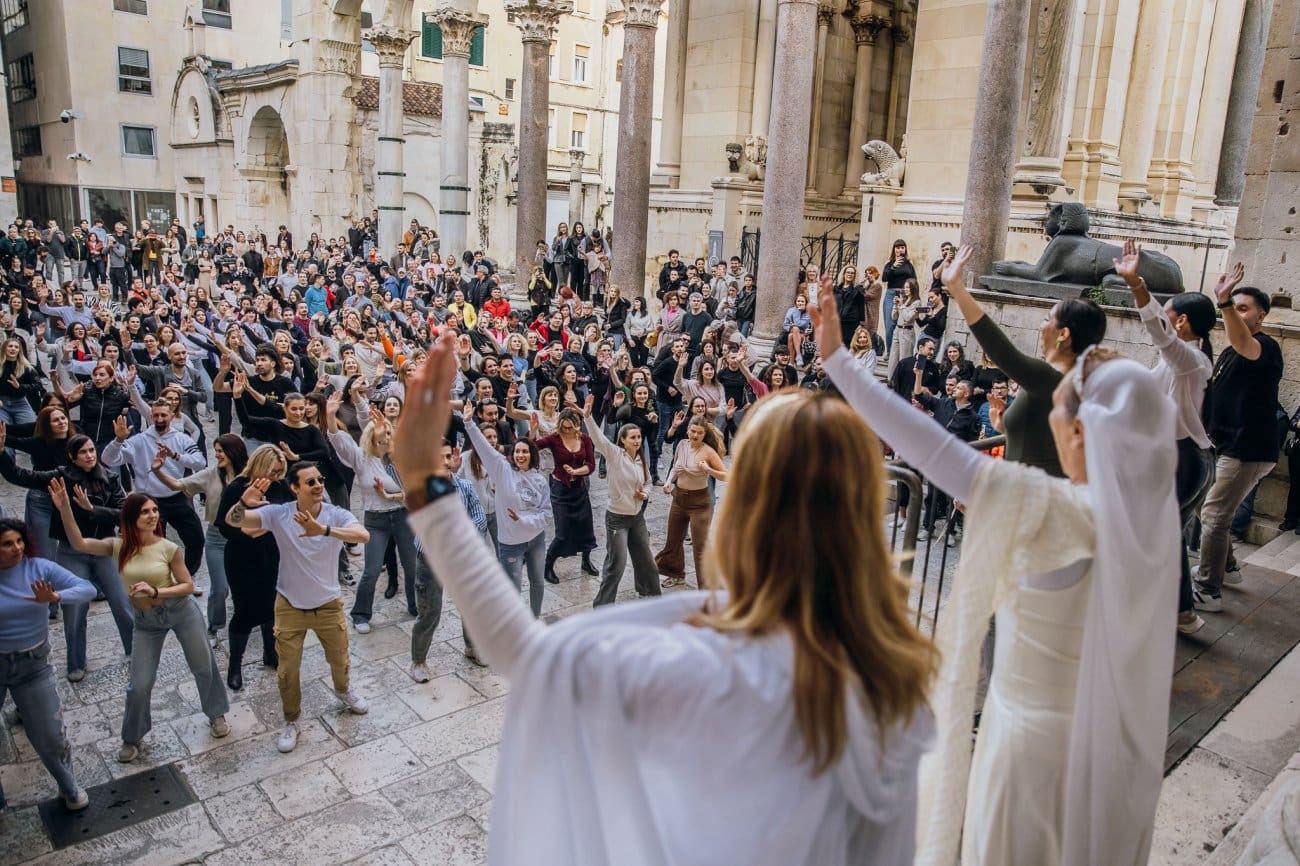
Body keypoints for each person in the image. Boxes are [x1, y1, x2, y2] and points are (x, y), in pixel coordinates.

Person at [392, 332, 939, 865]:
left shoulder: (721, 675)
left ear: (748, 513)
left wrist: (425, 484)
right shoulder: (898, 676)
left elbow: (527, 654)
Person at [814, 270, 1179, 866]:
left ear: (1083, 432)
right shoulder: (1152, 532)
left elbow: (931, 448)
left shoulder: (1051, 510)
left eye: (1058, 413)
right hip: (1102, 747)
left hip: (1028, 742)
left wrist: (836, 360)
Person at [52, 484, 230, 763]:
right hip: (146, 621)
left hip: (180, 610)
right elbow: (79, 543)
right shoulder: (117, 546)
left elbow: (187, 585)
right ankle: (132, 736)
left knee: (203, 665)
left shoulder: (168, 548)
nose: (152, 515)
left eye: (155, 510)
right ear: (131, 516)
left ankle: (216, 713)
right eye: (145, 511)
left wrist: (156, 592)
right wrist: (64, 508)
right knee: (139, 683)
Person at [224, 461, 371, 754]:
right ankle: (291, 720)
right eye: (310, 482)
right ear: (294, 488)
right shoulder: (280, 514)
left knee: (339, 660)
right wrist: (243, 501)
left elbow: (362, 536)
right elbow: (234, 520)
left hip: (328, 604)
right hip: (290, 605)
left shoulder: (335, 514)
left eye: (320, 479)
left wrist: (324, 530)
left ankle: (343, 691)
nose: (318, 485)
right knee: (287, 671)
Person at [1114, 240, 1217, 635]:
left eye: (1171, 314)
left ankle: (1175, 612)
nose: (1165, 319)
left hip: (1184, 459)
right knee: (1166, 537)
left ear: (1182, 323)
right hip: (1184, 457)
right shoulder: (1183, 360)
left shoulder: (1190, 359)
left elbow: (1160, 334)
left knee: (1156, 536)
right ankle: (1176, 612)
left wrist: (1137, 285)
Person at [939, 246, 1106, 476]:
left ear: (1063, 334)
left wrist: (957, 288)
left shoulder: (1050, 377)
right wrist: (1003, 424)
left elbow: (1001, 352)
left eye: (1047, 319)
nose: (1041, 325)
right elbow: (1040, 436)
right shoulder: (1067, 379)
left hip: (1031, 499)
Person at [0, 430, 133, 681]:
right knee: (74, 611)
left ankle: (135, 651)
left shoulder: (109, 478)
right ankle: (75, 663)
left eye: (92, 450)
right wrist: (1, 454)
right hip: (72, 552)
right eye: (83, 452)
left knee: (122, 603)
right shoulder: (61, 477)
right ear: (72, 456)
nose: (90, 455)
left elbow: (122, 513)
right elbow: (20, 475)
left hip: (104, 548)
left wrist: (93, 509)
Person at [1196, 266, 1283, 612]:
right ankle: (1227, 567)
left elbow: (1243, 343)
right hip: (1229, 446)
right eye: (1235, 307)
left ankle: (1208, 588)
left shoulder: (1265, 346)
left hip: (1247, 450)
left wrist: (1222, 302)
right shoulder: (1233, 349)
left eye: (1243, 307)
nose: (1236, 311)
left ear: (1261, 315)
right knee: (1221, 512)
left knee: (1213, 515)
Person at [0, 517, 96, 812]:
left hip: (33, 665)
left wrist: (55, 596)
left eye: (19, 541)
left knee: (51, 736)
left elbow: (87, 589)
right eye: (7, 544)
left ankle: (68, 786)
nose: (16, 548)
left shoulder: (38, 568)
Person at [325, 397, 420, 629]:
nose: (387, 437)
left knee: (412, 566)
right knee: (372, 569)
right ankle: (360, 614)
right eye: (383, 433)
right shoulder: (361, 458)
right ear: (373, 435)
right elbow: (339, 440)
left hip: (403, 516)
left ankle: (416, 606)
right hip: (375, 520)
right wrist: (329, 416)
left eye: (389, 433)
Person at [149, 434, 249, 644]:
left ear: (233, 452)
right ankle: (214, 626)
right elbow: (177, 485)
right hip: (217, 537)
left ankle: (246, 622)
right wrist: (158, 470)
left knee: (244, 585)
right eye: (216, 450)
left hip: (244, 537)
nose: (217, 454)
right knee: (220, 588)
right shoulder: (211, 474)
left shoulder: (249, 476)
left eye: (221, 450)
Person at [409, 439, 490, 681]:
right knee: (430, 611)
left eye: (447, 457)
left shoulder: (464, 486)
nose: (444, 462)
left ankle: (472, 647)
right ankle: (418, 661)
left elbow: (479, 518)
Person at [100, 403, 207, 575]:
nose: (159, 419)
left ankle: (186, 576)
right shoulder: (139, 440)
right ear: (150, 417)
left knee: (196, 539)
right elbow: (108, 459)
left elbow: (200, 461)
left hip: (177, 496)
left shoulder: (181, 438)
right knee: (154, 547)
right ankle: (162, 580)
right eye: (156, 415)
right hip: (149, 500)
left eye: (163, 415)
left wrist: (175, 455)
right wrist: (118, 440)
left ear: (171, 417)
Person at [464, 412, 550, 617]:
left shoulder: (540, 480)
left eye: (525, 452)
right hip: (511, 544)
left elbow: (546, 514)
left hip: (536, 539)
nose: (520, 455)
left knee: (537, 581)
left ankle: (534, 618)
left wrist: (524, 519)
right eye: (517, 451)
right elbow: (485, 448)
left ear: (532, 455)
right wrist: (469, 423)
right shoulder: (502, 471)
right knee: (513, 589)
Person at [581, 397, 659, 605]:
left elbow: (649, 482)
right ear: (623, 439)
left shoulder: (641, 459)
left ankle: (650, 594)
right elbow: (599, 440)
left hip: (637, 516)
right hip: (617, 518)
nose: (637, 440)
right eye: (632, 437)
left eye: (639, 437)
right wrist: (588, 417)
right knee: (617, 563)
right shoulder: (615, 455)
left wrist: (645, 493)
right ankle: (603, 605)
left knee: (646, 559)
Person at [655, 416, 727, 588]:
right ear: (687, 430)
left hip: (699, 503)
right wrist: (668, 482)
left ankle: (706, 588)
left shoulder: (708, 451)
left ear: (704, 434)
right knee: (673, 541)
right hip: (679, 499)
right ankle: (676, 574)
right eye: (693, 431)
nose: (695, 435)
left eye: (699, 433)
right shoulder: (681, 445)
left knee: (700, 548)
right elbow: (676, 466)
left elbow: (726, 475)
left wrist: (708, 470)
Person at [531, 407, 598, 582]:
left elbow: (591, 465)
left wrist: (577, 471)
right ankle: (548, 565)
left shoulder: (585, 439)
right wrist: (532, 430)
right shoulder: (554, 438)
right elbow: (532, 447)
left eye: (571, 427)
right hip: (560, 488)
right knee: (562, 532)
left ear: (577, 425)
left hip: (579, 488)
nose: (567, 430)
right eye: (564, 427)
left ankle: (586, 560)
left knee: (585, 527)